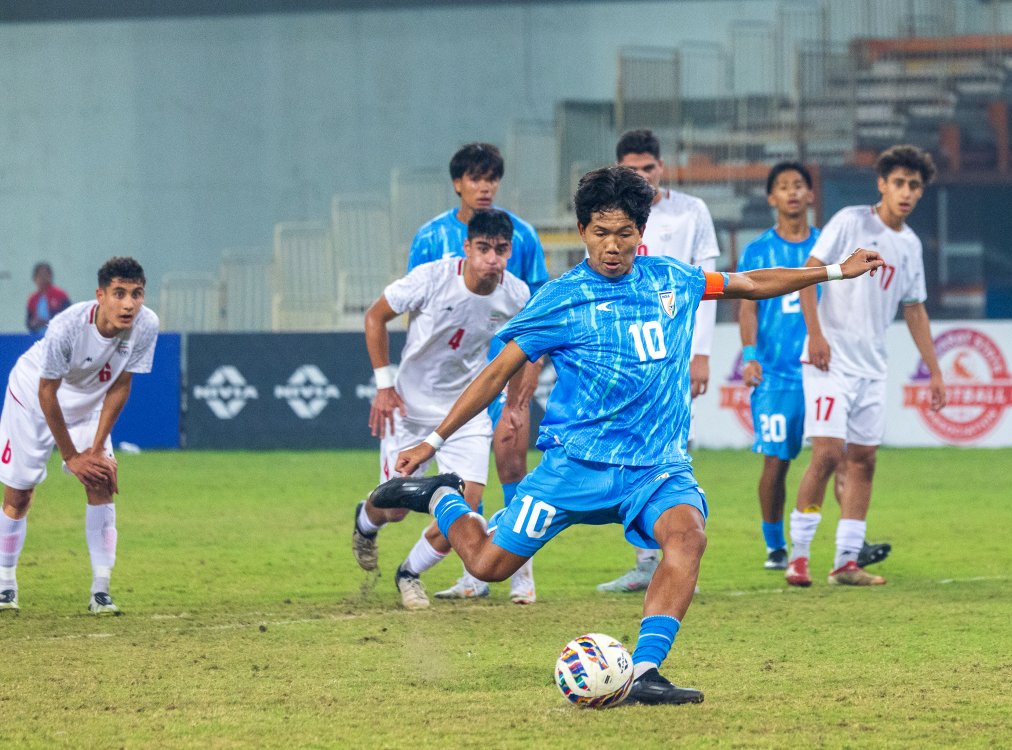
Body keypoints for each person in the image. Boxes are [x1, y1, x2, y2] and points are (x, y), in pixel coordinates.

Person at [367, 165, 884, 704]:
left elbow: (750, 284)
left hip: (656, 466)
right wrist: (434, 442)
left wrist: (833, 273)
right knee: (488, 566)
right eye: (599, 232)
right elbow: (495, 372)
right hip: (576, 467)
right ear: (583, 231)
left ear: (642, 232)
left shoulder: (671, 279)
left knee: (688, 538)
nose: (612, 246)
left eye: (624, 233)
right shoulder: (560, 298)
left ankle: (643, 673)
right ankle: (441, 496)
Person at [352, 210, 532, 608]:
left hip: (466, 412)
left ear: (509, 251)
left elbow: (527, 351)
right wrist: (384, 387)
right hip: (409, 410)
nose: (492, 259)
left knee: (464, 510)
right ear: (467, 248)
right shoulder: (431, 278)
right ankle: (364, 524)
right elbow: (375, 317)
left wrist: (516, 406)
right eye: (483, 249)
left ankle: (409, 573)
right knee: (394, 509)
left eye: (501, 250)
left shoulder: (517, 294)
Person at [786, 144, 946, 588]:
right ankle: (798, 557)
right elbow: (809, 273)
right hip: (829, 359)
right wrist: (815, 334)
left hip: (872, 366)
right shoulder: (850, 222)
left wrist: (935, 370)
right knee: (827, 454)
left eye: (914, 185)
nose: (907, 192)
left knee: (864, 460)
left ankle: (845, 562)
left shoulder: (910, 245)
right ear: (882, 184)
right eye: (899, 182)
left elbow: (915, 310)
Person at [406, 142, 548, 600]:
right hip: (448, 381)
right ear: (457, 184)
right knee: (463, 478)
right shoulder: (430, 237)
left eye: (492, 179)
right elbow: (416, 310)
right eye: (475, 178)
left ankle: (521, 570)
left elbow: (539, 307)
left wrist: (521, 393)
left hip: (505, 372)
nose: (484, 187)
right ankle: (474, 571)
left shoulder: (519, 235)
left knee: (510, 462)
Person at [597, 128, 721, 593]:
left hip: (673, 355)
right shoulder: (615, 218)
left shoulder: (691, 212)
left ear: (662, 168)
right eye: (632, 170)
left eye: (649, 168)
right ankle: (649, 559)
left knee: (668, 451)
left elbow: (708, 287)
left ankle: (674, 550)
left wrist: (701, 353)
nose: (643, 176)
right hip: (624, 352)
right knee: (629, 449)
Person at [0, 257, 159, 614]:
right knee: (20, 494)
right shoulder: (67, 327)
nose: (129, 303)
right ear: (100, 295)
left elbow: (121, 384)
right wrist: (73, 457)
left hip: (88, 401)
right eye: (119, 293)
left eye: (136, 294)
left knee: (100, 480)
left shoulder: (147, 325)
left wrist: (97, 448)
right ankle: (5, 583)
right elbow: (46, 393)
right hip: (31, 397)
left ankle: (101, 591)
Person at [737, 162, 821, 570]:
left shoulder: (827, 245)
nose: (792, 192)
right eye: (783, 187)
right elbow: (747, 310)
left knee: (835, 455)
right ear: (771, 198)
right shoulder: (757, 251)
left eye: (799, 186)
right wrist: (750, 356)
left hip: (824, 371)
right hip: (776, 374)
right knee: (776, 461)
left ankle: (846, 546)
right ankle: (775, 546)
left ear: (810, 195)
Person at [26, 262, 72, 338]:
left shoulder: (60, 295)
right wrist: (33, 323)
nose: (43, 278)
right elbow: (28, 322)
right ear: (34, 278)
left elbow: (69, 317)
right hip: (37, 338)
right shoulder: (32, 299)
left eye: (45, 275)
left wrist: (47, 322)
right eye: (40, 275)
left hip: (58, 337)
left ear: (51, 276)